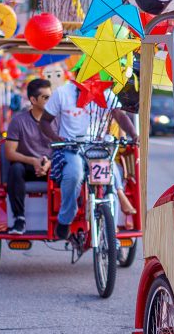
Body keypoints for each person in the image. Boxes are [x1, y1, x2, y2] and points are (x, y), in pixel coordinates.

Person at [38, 78, 138, 240]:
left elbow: (119, 114)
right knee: (74, 174)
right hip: (71, 148)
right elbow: (45, 122)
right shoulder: (62, 93)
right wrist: (57, 138)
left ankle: (113, 232)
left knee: (111, 173)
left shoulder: (105, 92)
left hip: (97, 148)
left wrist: (134, 135)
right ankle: (66, 218)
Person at [4, 78, 57, 235]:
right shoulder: (18, 121)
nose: (50, 101)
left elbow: (65, 148)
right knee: (15, 169)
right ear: (33, 100)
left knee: (70, 169)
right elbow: (9, 152)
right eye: (46, 97)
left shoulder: (58, 119)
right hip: (27, 166)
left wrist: (49, 164)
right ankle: (19, 219)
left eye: (51, 96)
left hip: (52, 166)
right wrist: (33, 161)